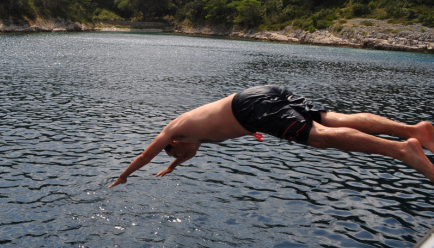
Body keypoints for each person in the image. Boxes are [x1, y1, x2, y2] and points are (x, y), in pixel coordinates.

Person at [109, 85, 434, 188]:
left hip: (252, 109)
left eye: (179, 155)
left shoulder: (172, 131)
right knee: (335, 117)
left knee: (319, 136)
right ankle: (414, 130)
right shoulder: (188, 134)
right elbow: (182, 155)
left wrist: (124, 176)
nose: (186, 157)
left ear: (176, 144)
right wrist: (172, 168)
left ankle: (403, 151)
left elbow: (145, 156)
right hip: (260, 94)